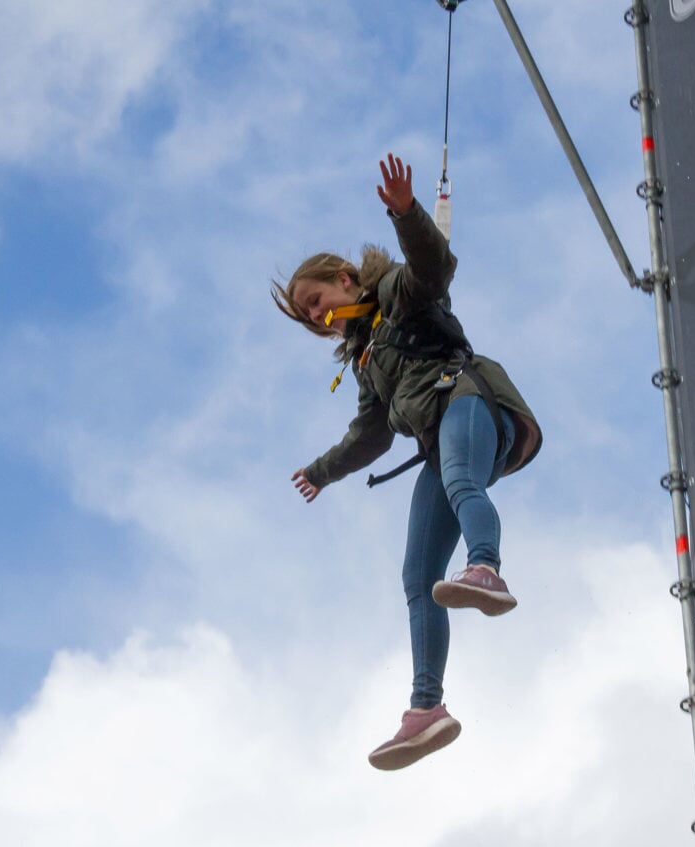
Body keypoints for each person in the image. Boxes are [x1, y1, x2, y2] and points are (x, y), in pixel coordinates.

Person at [273, 153, 542, 770]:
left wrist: (405, 212)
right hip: (436, 436)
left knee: (459, 478)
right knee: (417, 578)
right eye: (310, 318)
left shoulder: (396, 295)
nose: (318, 318)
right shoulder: (367, 357)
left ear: (345, 280)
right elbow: (370, 435)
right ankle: (426, 709)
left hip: (470, 402)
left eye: (318, 302)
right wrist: (322, 470)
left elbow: (434, 265)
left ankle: (487, 568)